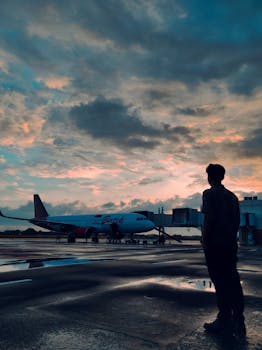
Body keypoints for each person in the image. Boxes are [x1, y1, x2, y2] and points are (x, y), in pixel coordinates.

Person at [201, 164, 246, 336]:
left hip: (215, 245)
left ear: (209, 177)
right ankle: (238, 319)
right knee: (233, 281)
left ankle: (224, 319)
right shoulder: (232, 197)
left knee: (220, 283)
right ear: (223, 177)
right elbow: (236, 222)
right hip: (229, 245)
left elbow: (208, 220)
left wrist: (205, 241)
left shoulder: (209, 194)